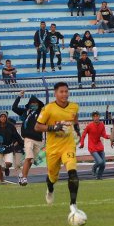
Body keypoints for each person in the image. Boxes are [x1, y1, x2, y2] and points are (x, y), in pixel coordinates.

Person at [34, 82, 82, 214]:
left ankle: (73, 204)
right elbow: (37, 127)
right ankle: (50, 189)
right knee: (52, 177)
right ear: (55, 93)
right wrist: (53, 127)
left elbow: (75, 120)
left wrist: (77, 130)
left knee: (72, 172)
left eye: (66, 91)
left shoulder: (74, 107)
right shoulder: (48, 109)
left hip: (68, 145)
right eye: (61, 92)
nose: (64, 94)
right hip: (53, 148)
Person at [11, 91, 44, 186]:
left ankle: (22, 175)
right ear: (29, 104)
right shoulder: (25, 112)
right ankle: (24, 178)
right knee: (29, 157)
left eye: (35, 103)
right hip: (28, 138)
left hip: (38, 138)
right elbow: (14, 108)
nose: (33, 105)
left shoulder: (41, 112)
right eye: (32, 103)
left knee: (31, 160)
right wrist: (19, 97)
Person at [80, 111, 109, 180]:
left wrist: (110, 137)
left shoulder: (102, 124)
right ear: (92, 118)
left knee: (103, 164)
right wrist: (82, 143)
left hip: (99, 147)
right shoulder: (89, 126)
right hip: (92, 147)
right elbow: (83, 135)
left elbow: (104, 135)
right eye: (94, 116)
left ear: (99, 117)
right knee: (100, 162)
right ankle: (94, 167)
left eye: (97, 116)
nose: (96, 118)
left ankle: (99, 177)